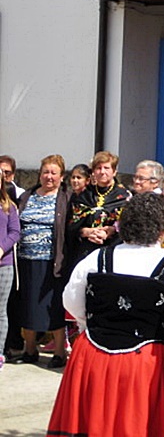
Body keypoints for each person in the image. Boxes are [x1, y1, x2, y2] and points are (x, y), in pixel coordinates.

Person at [47, 192, 164, 436]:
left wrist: (94, 325)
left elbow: (71, 304)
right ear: (162, 230)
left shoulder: (96, 259)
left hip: (93, 355)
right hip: (148, 361)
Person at [14, 154, 72, 367]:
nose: (49, 177)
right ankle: (29, 350)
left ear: (61, 176)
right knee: (27, 305)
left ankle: (59, 352)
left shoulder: (66, 198)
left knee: (52, 307)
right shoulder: (28, 195)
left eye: (53, 173)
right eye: (45, 172)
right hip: (25, 260)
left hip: (52, 261)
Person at [67, 151, 131, 269]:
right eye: (98, 168)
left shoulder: (124, 196)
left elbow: (129, 226)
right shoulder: (83, 195)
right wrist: (87, 232)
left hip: (113, 252)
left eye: (106, 168)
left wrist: (111, 231)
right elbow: (71, 226)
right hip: (85, 252)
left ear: (114, 171)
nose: (102, 172)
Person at [0, 170, 20, 370]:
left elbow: (15, 232)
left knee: (0, 311)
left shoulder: (8, 207)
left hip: (3, 265)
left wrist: (1, 248)